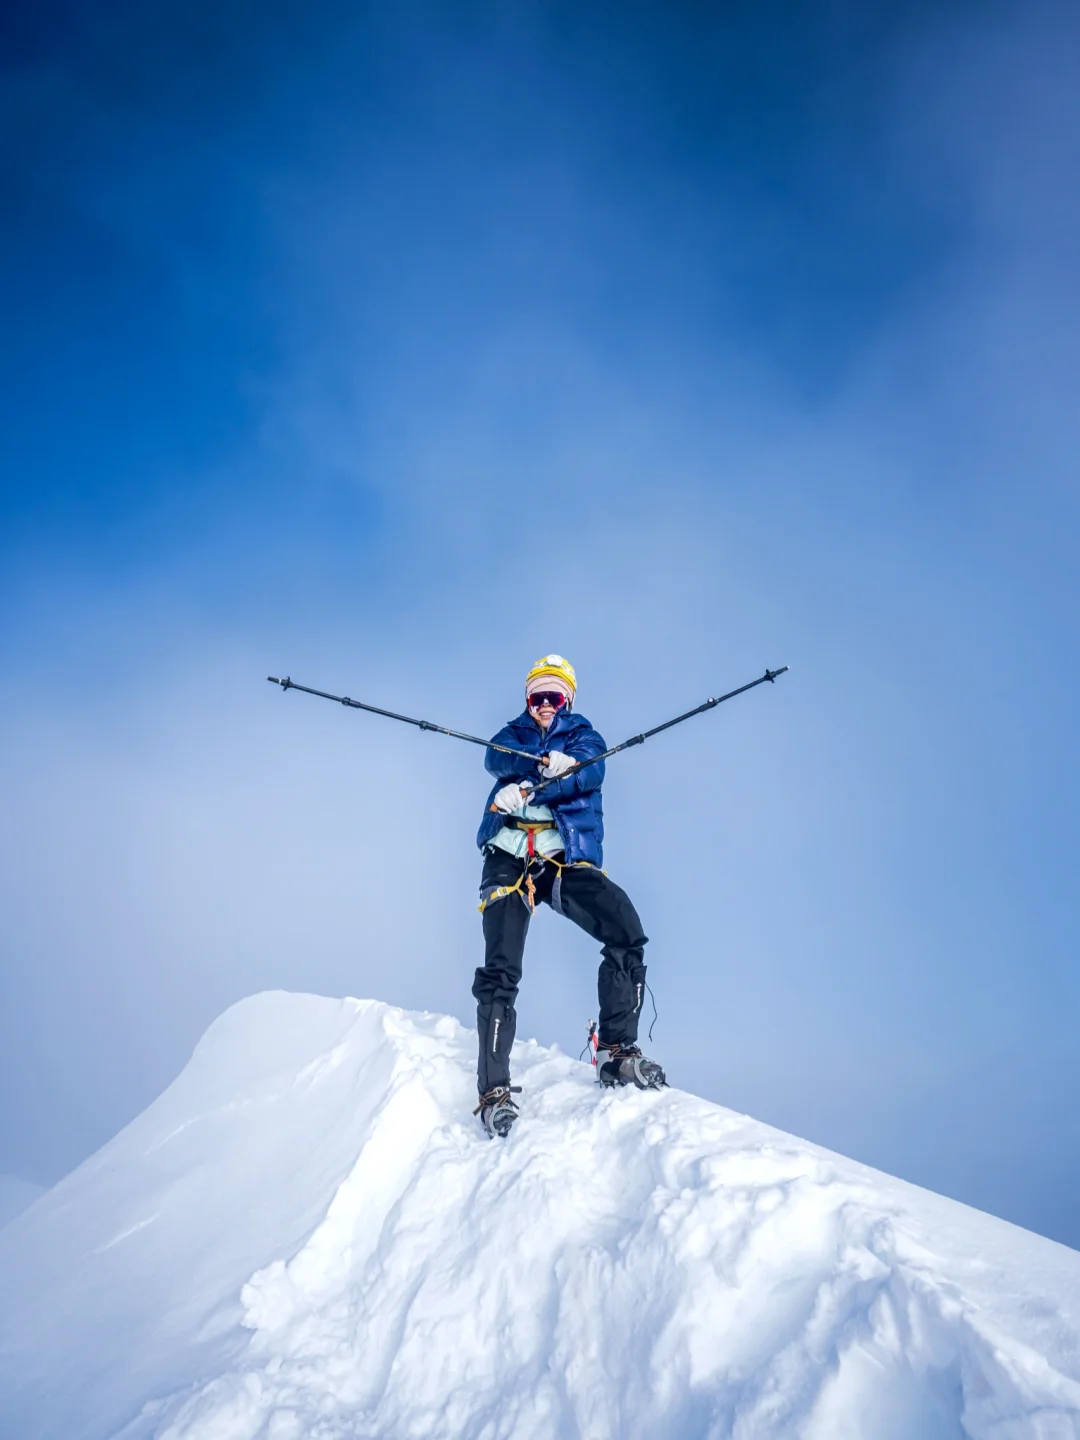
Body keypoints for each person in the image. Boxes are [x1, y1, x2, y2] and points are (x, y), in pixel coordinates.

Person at [472, 654, 665, 1137]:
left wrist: (567, 767)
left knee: (625, 928)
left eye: (553, 697)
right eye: (537, 696)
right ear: (527, 699)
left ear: (568, 699)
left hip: (559, 860)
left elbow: (591, 773)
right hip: (508, 857)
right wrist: (514, 788)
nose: (544, 705)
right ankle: (493, 1091)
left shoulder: (584, 736)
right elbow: (494, 757)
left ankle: (615, 1052)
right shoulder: (511, 735)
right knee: (502, 968)